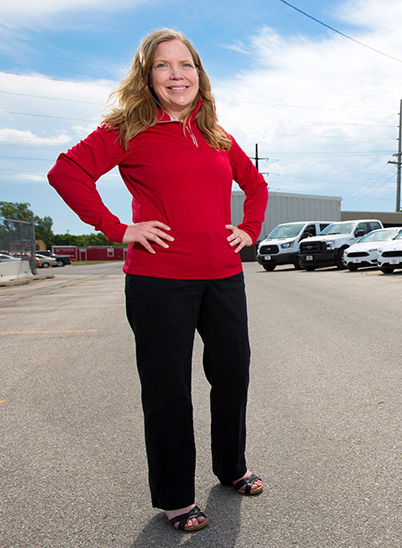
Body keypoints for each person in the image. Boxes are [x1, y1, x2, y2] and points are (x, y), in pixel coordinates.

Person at [48, 29, 269, 532]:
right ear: (147, 75)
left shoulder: (214, 132)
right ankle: (175, 497)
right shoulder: (127, 127)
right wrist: (119, 228)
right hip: (159, 281)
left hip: (223, 276)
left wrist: (248, 230)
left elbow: (255, 186)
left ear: (199, 74)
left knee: (233, 375)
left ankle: (231, 466)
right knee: (169, 390)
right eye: (164, 66)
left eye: (186, 65)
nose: (177, 75)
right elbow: (66, 173)